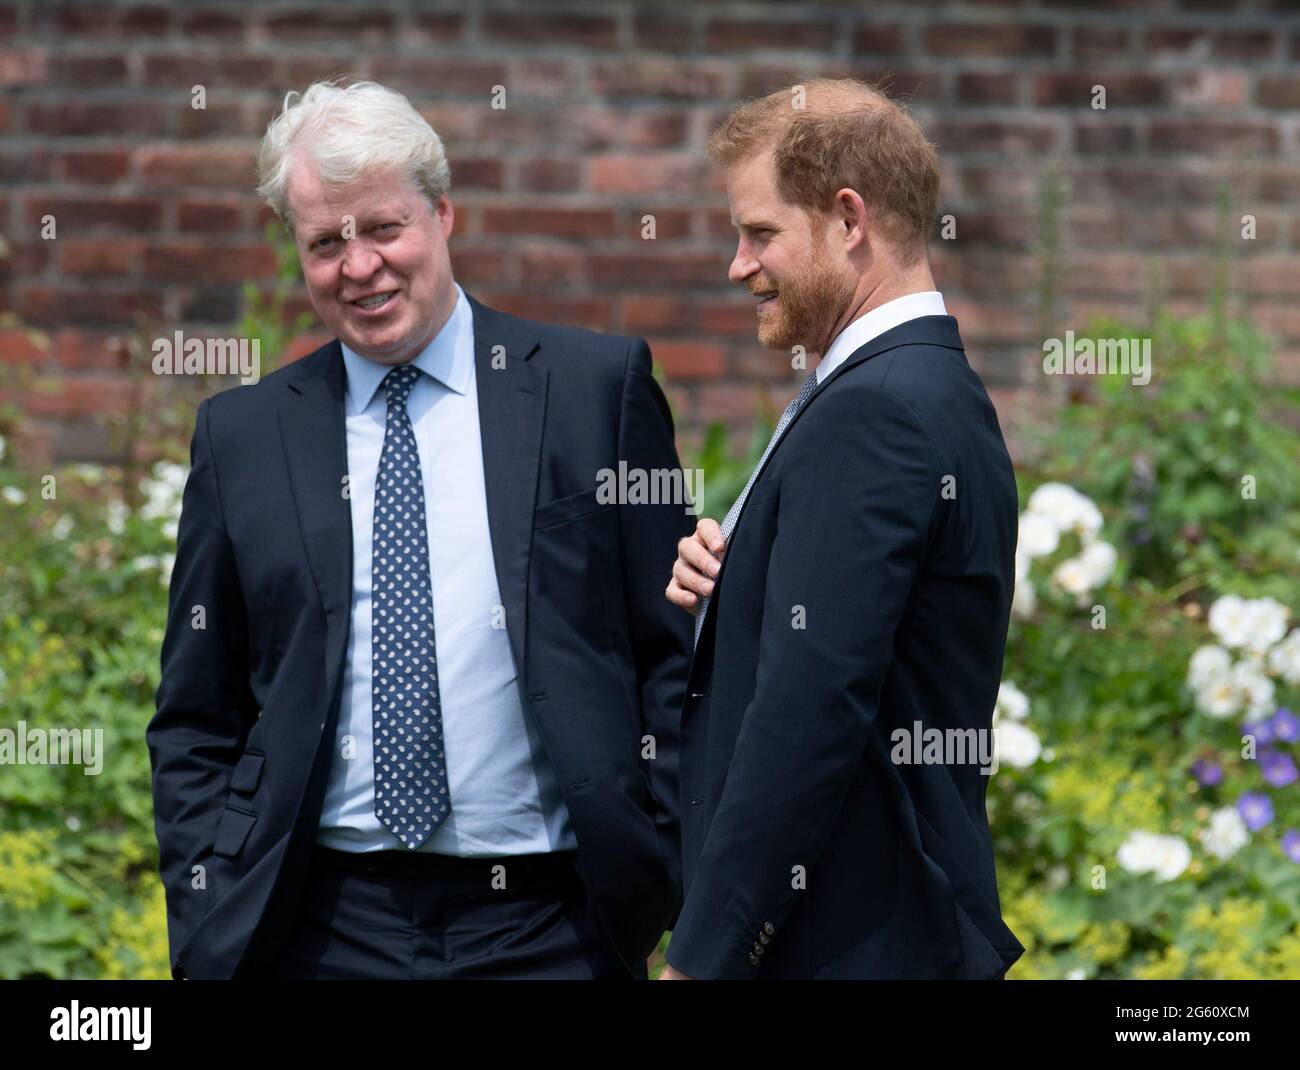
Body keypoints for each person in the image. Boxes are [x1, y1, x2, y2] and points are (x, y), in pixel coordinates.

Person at [147, 79, 693, 980]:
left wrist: (663, 874)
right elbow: (197, 712)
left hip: (551, 930)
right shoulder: (243, 437)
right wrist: (208, 905)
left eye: (383, 228)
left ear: (443, 213)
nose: (359, 267)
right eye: (326, 243)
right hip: (319, 930)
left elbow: (676, 659)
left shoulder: (594, 394)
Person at [662, 78, 1025, 979]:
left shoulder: (877, 413)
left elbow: (808, 709)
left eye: (760, 233)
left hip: (842, 946)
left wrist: (702, 960)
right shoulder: (924, 389)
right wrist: (735, 578)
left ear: (848, 220)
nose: (737, 264)